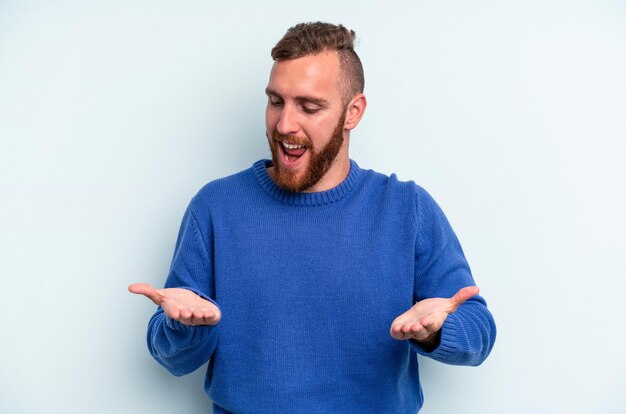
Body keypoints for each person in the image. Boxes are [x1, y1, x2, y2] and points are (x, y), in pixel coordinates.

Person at [129, 21, 496, 413]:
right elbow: (172, 356)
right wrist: (186, 327)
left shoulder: (406, 208)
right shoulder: (216, 206)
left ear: (353, 112)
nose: (285, 124)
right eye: (276, 101)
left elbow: (478, 331)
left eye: (309, 106)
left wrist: (436, 332)